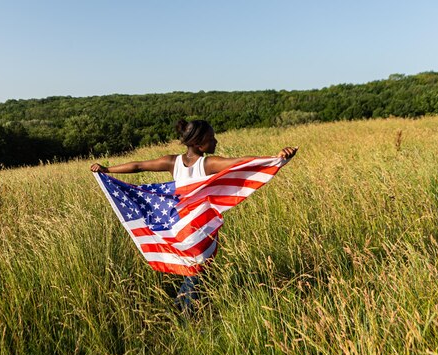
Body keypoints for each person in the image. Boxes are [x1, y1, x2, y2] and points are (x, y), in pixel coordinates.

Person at [90, 119, 297, 315]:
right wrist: (277, 159)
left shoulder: (173, 161)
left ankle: (182, 306)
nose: (215, 141)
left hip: (179, 224)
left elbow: (138, 166)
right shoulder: (208, 163)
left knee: (195, 269)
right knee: (197, 269)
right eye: (211, 138)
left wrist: (107, 169)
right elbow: (243, 163)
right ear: (198, 144)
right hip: (198, 226)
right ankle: (185, 314)